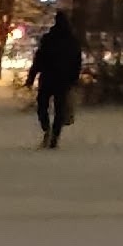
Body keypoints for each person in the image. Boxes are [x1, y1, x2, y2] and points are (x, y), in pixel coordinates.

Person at [28, 9, 83, 147]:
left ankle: (47, 129)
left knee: (42, 106)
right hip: (63, 80)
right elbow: (77, 62)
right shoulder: (72, 41)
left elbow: (38, 59)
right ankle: (54, 136)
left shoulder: (48, 38)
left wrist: (31, 77)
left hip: (47, 78)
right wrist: (74, 79)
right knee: (60, 110)